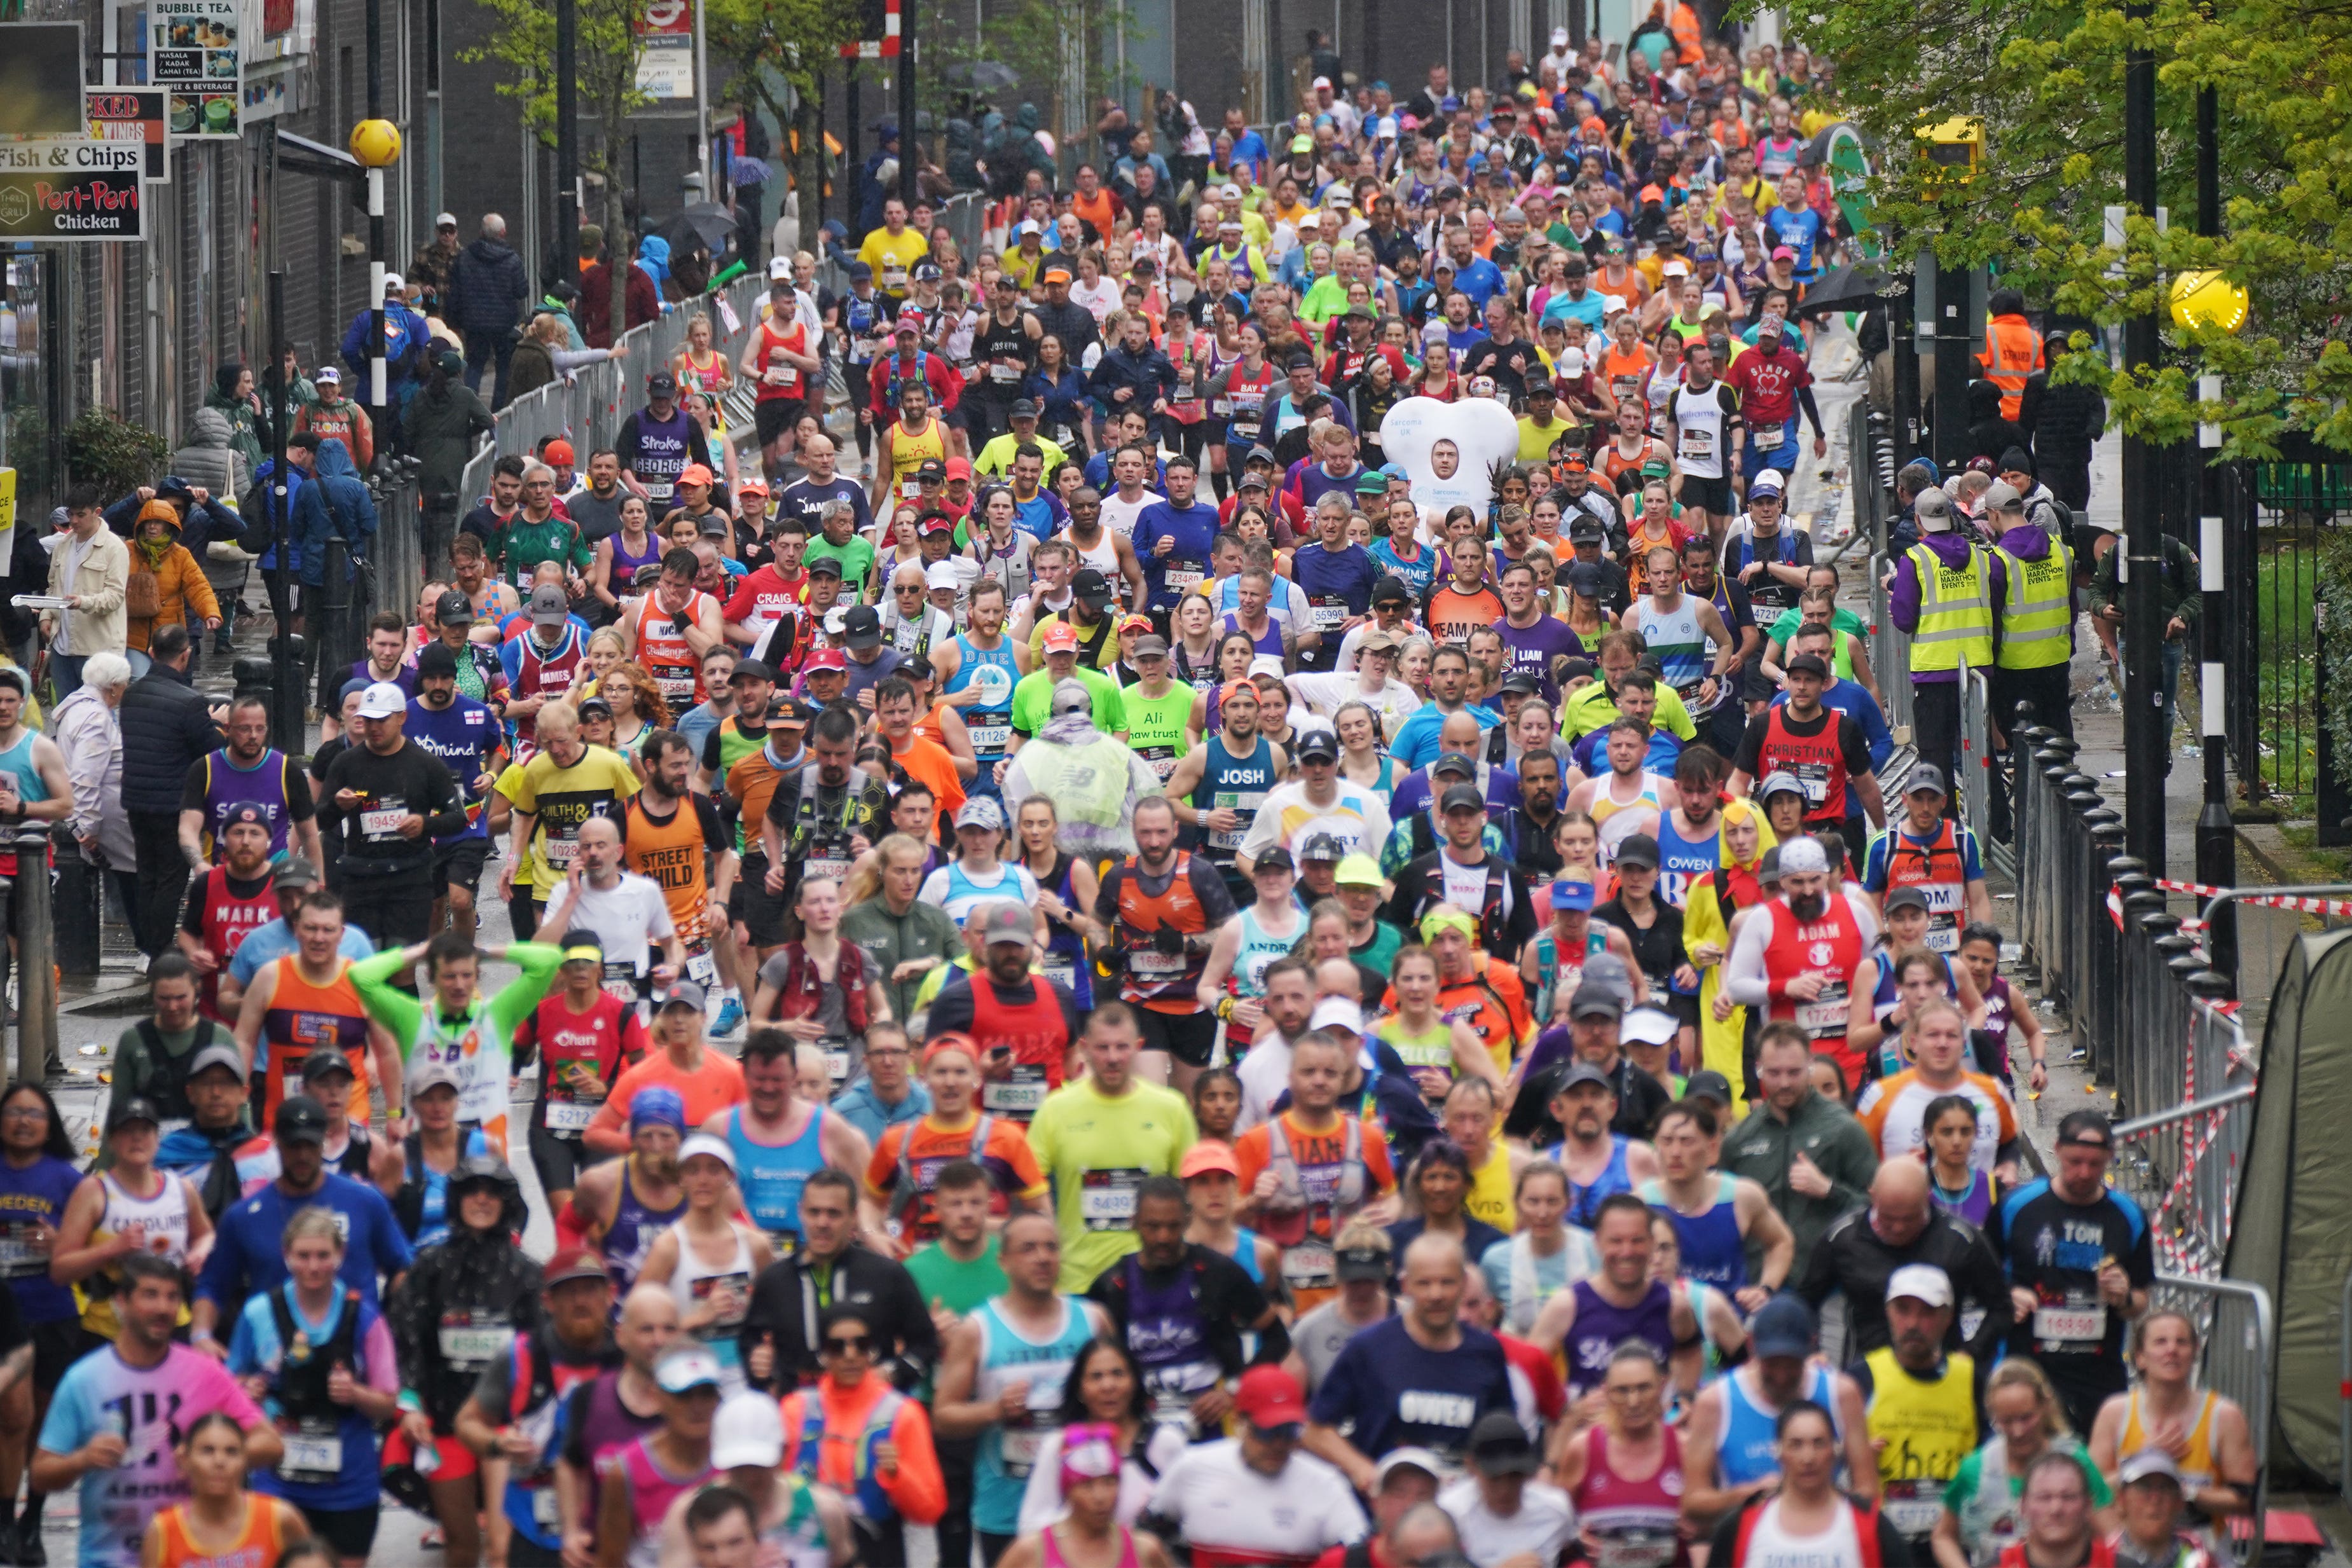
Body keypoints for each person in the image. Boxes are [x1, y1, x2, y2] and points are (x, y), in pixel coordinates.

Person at [34, 1253, 279, 1568]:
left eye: (172, 1297)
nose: (163, 1308)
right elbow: (41, 1474)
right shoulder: (84, 1379)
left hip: (190, 1556)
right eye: (150, 1295)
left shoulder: (204, 1372)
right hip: (109, 1558)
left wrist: (217, 1456)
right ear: (121, 1303)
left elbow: (270, 1444)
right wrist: (81, 1460)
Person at [224, 1206, 403, 1567]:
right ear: (287, 1255)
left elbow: (388, 1402)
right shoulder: (259, 1313)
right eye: (303, 1256)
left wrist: (355, 1394)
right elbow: (230, 1387)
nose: (313, 1266)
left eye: (323, 1255)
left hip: (349, 1484)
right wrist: (248, 1393)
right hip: (278, 1481)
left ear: (339, 1256)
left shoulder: (365, 1318)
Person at [932, 1211, 1113, 1565]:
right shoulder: (978, 1329)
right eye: (1028, 1249)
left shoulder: (1093, 1320)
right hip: (1006, 1506)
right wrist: (994, 1411)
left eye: (1051, 1248)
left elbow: (1124, 1398)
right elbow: (943, 1416)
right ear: (1004, 1261)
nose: (1043, 1258)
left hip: (1085, 1502)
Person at [1304, 1231, 1513, 1483]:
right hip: (1387, 1508)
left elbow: (1503, 1434)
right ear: (1405, 1286)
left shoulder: (1487, 1352)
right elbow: (1315, 1430)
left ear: (1463, 1283)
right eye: (1424, 1283)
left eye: (1447, 1282)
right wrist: (1362, 1470)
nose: (1436, 1295)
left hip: (1459, 1508)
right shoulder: (1370, 1348)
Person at [1089, 1175, 1289, 1437]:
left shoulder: (1219, 1273)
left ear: (1187, 1221)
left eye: (1173, 1227)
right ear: (1134, 1223)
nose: (1163, 1237)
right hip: (1139, 1429)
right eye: (1153, 1226)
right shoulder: (1112, 1286)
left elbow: (1277, 1338)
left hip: (1212, 1426)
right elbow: (1086, 1364)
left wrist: (1233, 1390)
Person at [1993, 1113, 2153, 1436]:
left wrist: (2123, 1296)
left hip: (2098, 1374)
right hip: (2028, 1370)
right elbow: (1980, 1279)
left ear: (2110, 1157)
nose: (2084, 1173)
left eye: (2095, 1164)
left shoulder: (2128, 1215)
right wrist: (2006, 1296)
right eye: (2075, 1161)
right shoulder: (2017, 1206)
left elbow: (2141, 1302)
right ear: (2057, 1151)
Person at [1026, 1007, 1200, 1290]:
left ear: (1138, 1047)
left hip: (1154, 1278)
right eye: (1102, 1048)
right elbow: (1030, 1186)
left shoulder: (1171, 1108)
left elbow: (1191, 1191)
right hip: (1078, 1281)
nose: (1113, 1058)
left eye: (1122, 1047)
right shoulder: (1055, 1109)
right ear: (1084, 1049)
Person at [1140, 1366, 1370, 1568]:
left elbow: (1362, 1556)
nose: (1279, 1444)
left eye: (1288, 1431)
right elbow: (1145, 1535)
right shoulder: (1192, 1466)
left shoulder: (1326, 1483)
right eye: (1267, 1431)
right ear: (1239, 1421)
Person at [736, 1167, 937, 1393]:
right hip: (798, 1415)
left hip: (871, 1414)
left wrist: (892, 1373)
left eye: (834, 1213)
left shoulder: (887, 1274)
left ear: (853, 1217)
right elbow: (750, 1346)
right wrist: (760, 1368)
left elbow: (926, 1345)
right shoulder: (775, 1280)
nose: (823, 1222)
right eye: (814, 1212)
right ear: (801, 1212)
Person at [1796, 1159, 2009, 1369]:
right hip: (1868, 1372)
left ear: (1928, 1198)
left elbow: (2001, 1306)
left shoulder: (1961, 1239)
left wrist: (1971, 1353)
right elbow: (1803, 1302)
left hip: (1941, 1372)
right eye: (1887, 1219)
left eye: (1909, 1219)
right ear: (1873, 1197)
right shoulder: (1843, 1237)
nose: (1898, 1228)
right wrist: (1813, 1354)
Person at [865, 1034, 1049, 1251]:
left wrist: (985, 1225)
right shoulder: (896, 1141)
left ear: (977, 1078)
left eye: (960, 1072)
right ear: (924, 1080)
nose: (950, 1082)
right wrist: (871, 1234)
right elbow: (868, 1202)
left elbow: (1042, 1215)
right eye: (941, 1072)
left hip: (986, 1270)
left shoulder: (1007, 1137)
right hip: (916, 1272)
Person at [2086, 1312, 2255, 1546]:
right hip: (2129, 1552)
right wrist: (2141, 1460)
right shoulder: (2115, 1413)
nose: (2172, 1350)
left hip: (2203, 1551)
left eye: (2181, 1342)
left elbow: (2246, 1501)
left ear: (2195, 1352)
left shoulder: (2225, 1416)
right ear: (2141, 1357)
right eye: (2160, 1342)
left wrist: (2185, 1494)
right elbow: (2090, 1492)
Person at [1934, 1361, 2117, 1568]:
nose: (2018, 1431)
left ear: (2045, 1407)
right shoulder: (1976, 1469)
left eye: (2026, 1418)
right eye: (2006, 1421)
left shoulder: (2076, 1463)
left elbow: (2113, 1537)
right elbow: (1943, 1536)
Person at [640, 1136, 775, 1397]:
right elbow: (639, 1326)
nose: (703, 1180)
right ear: (681, 1180)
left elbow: (776, 1312)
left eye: (714, 1170)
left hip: (746, 1379)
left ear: (729, 1178)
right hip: (685, 1381)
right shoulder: (668, 1248)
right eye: (693, 1170)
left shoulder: (756, 1245)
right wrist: (697, 1318)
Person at [121, 626, 226, 961]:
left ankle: (148, 947)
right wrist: (219, 726)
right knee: (170, 880)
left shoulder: (131, 694)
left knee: (147, 876)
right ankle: (158, 953)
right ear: (186, 655)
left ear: (152, 653)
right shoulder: (190, 701)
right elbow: (211, 751)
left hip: (137, 800)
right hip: (171, 805)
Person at [1703, 1403, 1910, 1568]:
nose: (1808, 1458)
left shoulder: (1870, 1524)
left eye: (1819, 1443)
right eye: (1796, 1444)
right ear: (1778, 1452)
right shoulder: (1740, 1526)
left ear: (1834, 1451)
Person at [1639, 1102, 1794, 1307]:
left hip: (1731, 1321)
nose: (1675, 1152)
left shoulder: (1742, 1196)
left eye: (1686, 1141)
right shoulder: (1640, 1204)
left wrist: (1765, 1289)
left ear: (1712, 1147)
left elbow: (1781, 1242)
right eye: (1666, 1141)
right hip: (1663, 1321)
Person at [1553, 1341, 1690, 1568]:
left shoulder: (1684, 1447)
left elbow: (1710, 1531)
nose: (1633, 1402)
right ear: (1606, 1391)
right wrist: (1578, 1540)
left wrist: (1699, 1528)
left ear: (1662, 1386)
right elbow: (1556, 1526)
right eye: (1622, 1391)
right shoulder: (1583, 1448)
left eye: (1644, 1388)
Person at [591, 1344, 723, 1568]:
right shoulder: (625, 1471)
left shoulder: (735, 1459)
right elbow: (609, 1561)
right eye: (684, 1395)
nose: (697, 1406)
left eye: (706, 1393)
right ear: (657, 1397)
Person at [139, 1412, 311, 1568]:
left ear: (245, 1460)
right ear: (185, 1460)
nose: (219, 1461)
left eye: (231, 1452)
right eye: (207, 1451)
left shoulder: (280, 1519)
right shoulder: (163, 1531)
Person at [1436, 1411, 1575, 1568]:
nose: (1505, 1490)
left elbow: (1572, 1555)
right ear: (1471, 1466)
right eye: (1494, 1478)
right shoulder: (1450, 1514)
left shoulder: (1556, 1509)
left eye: (1515, 1476)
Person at [2103, 1452, 2210, 1568]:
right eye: (2144, 1487)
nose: (2155, 1499)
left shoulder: (2201, 1560)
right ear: (2121, 1500)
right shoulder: (2101, 1562)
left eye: (2164, 1488)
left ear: (2180, 1502)